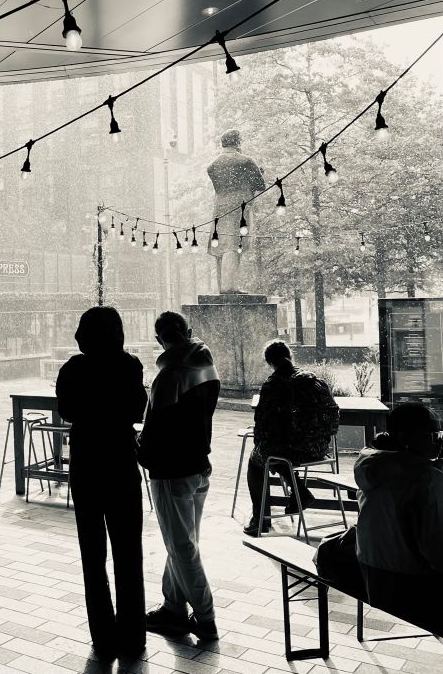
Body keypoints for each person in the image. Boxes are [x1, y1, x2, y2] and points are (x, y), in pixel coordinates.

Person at [56, 307, 149, 657]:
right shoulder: (130, 365)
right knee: (128, 552)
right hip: (120, 460)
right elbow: (137, 410)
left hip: (86, 461)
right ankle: (133, 634)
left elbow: (66, 411)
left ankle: (103, 634)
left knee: (92, 555)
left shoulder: (72, 369)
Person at [137, 311, 221, 641]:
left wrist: (139, 447)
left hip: (171, 470)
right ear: (189, 331)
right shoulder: (206, 365)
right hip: (199, 463)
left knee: (182, 546)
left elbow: (156, 428)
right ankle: (173, 606)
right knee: (183, 541)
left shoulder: (169, 375)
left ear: (160, 339)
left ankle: (206, 617)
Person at [354, 402, 443, 634]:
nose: (439, 442)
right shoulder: (425, 479)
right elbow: (436, 550)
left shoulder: (373, 465)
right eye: (432, 435)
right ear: (406, 437)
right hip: (411, 584)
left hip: (373, 574)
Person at [244, 340, 338, 536]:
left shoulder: (273, 385)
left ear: (269, 362)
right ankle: (299, 491)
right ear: (290, 356)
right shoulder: (315, 381)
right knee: (277, 448)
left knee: (257, 460)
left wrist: (260, 445)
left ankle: (259, 520)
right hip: (318, 449)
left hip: (290, 451)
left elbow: (262, 425)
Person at [205, 129, 266, 294]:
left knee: (221, 246)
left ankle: (222, 288)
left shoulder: (213, 165)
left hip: (219, 208)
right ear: (238, 142)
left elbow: (221, 185)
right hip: (239, 207)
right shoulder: (246, 162)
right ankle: (230, 287)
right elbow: (260, 186)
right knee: (233, 245)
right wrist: (260, 173)